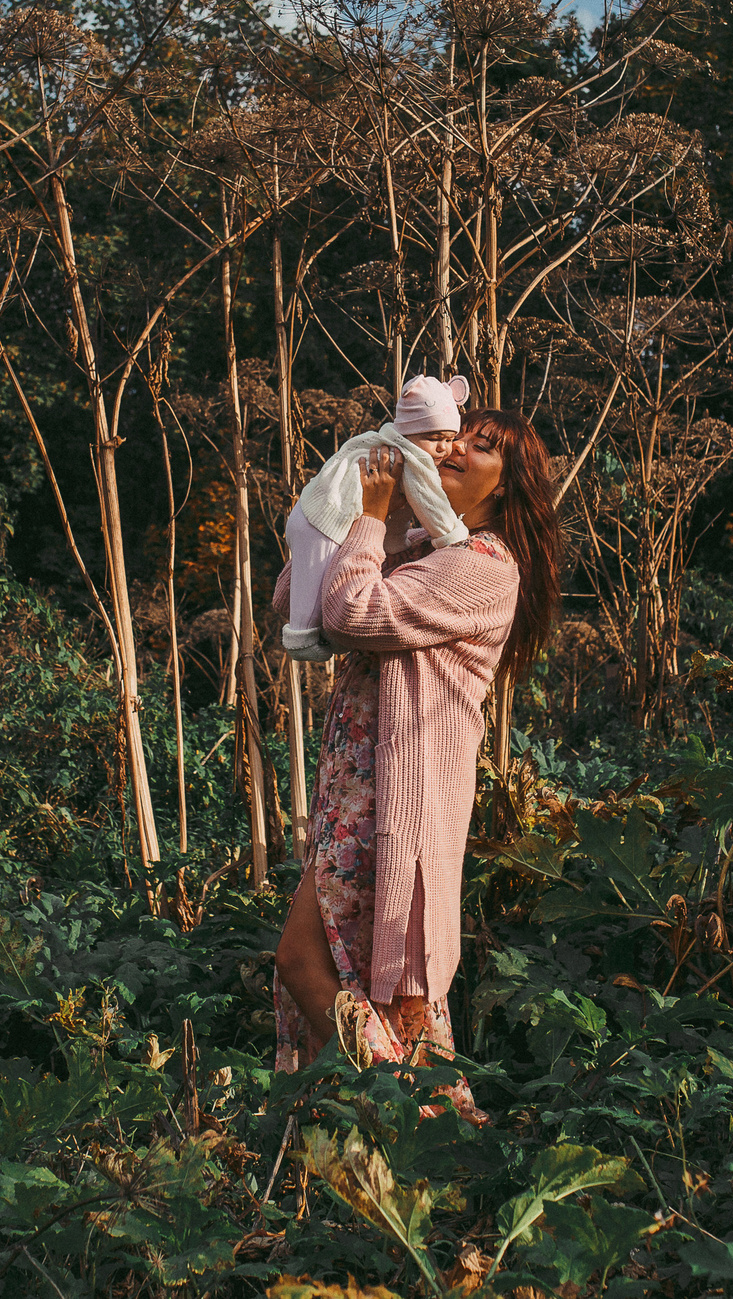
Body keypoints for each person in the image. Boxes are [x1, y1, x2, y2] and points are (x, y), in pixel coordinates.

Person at [271, 407, 561, 1122]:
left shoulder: (484, 568)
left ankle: (409, 1124)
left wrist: (370, 519)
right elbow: (292, 603)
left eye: (485, 446)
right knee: (388, 1004)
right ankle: (427, 1144)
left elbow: (349, 616)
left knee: (303, 963)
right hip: (354, 804)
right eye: (461, 435)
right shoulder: (427, 553)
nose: (457, 444)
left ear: (508, 487)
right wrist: (382, 515)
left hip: (391, 815)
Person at [277, 373, 473, 662]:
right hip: (323, 524)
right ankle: (302, 639)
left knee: (321, 581)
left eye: (448, 438)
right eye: (433, 438)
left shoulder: (382, 443)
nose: (444, 448)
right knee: (312, 587)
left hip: (315, 515)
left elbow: (397, 514)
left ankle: (322, 633)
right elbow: (430, 503)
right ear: (409, 432)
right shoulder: (411, 457)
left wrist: (394, 544)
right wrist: (454, 537)